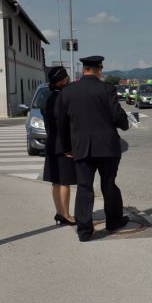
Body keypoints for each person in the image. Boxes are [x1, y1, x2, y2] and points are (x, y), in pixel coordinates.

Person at [58, 56, 130, 242]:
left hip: (82, 148)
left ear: (83, 70)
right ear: (99, 69)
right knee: (109, 184)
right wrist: (125, 123)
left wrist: (67, 147)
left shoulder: (68, 91)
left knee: (84, 188)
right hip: (107, 147)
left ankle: (84, 231)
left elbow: (62, 124)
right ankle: (114, 221)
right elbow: (117, 117)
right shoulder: (107, 88)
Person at [41, 66, 77, 226]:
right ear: (62, 81)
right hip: (63, 146)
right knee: (64, 182)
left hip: (51, 144)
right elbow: (66, 126)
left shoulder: (48, 99)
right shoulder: (65, 98)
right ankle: (66, 215)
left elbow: (48, 125)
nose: (68, 80)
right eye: (66, 78)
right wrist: (69, 146)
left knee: (55, 182)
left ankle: (58, 212)